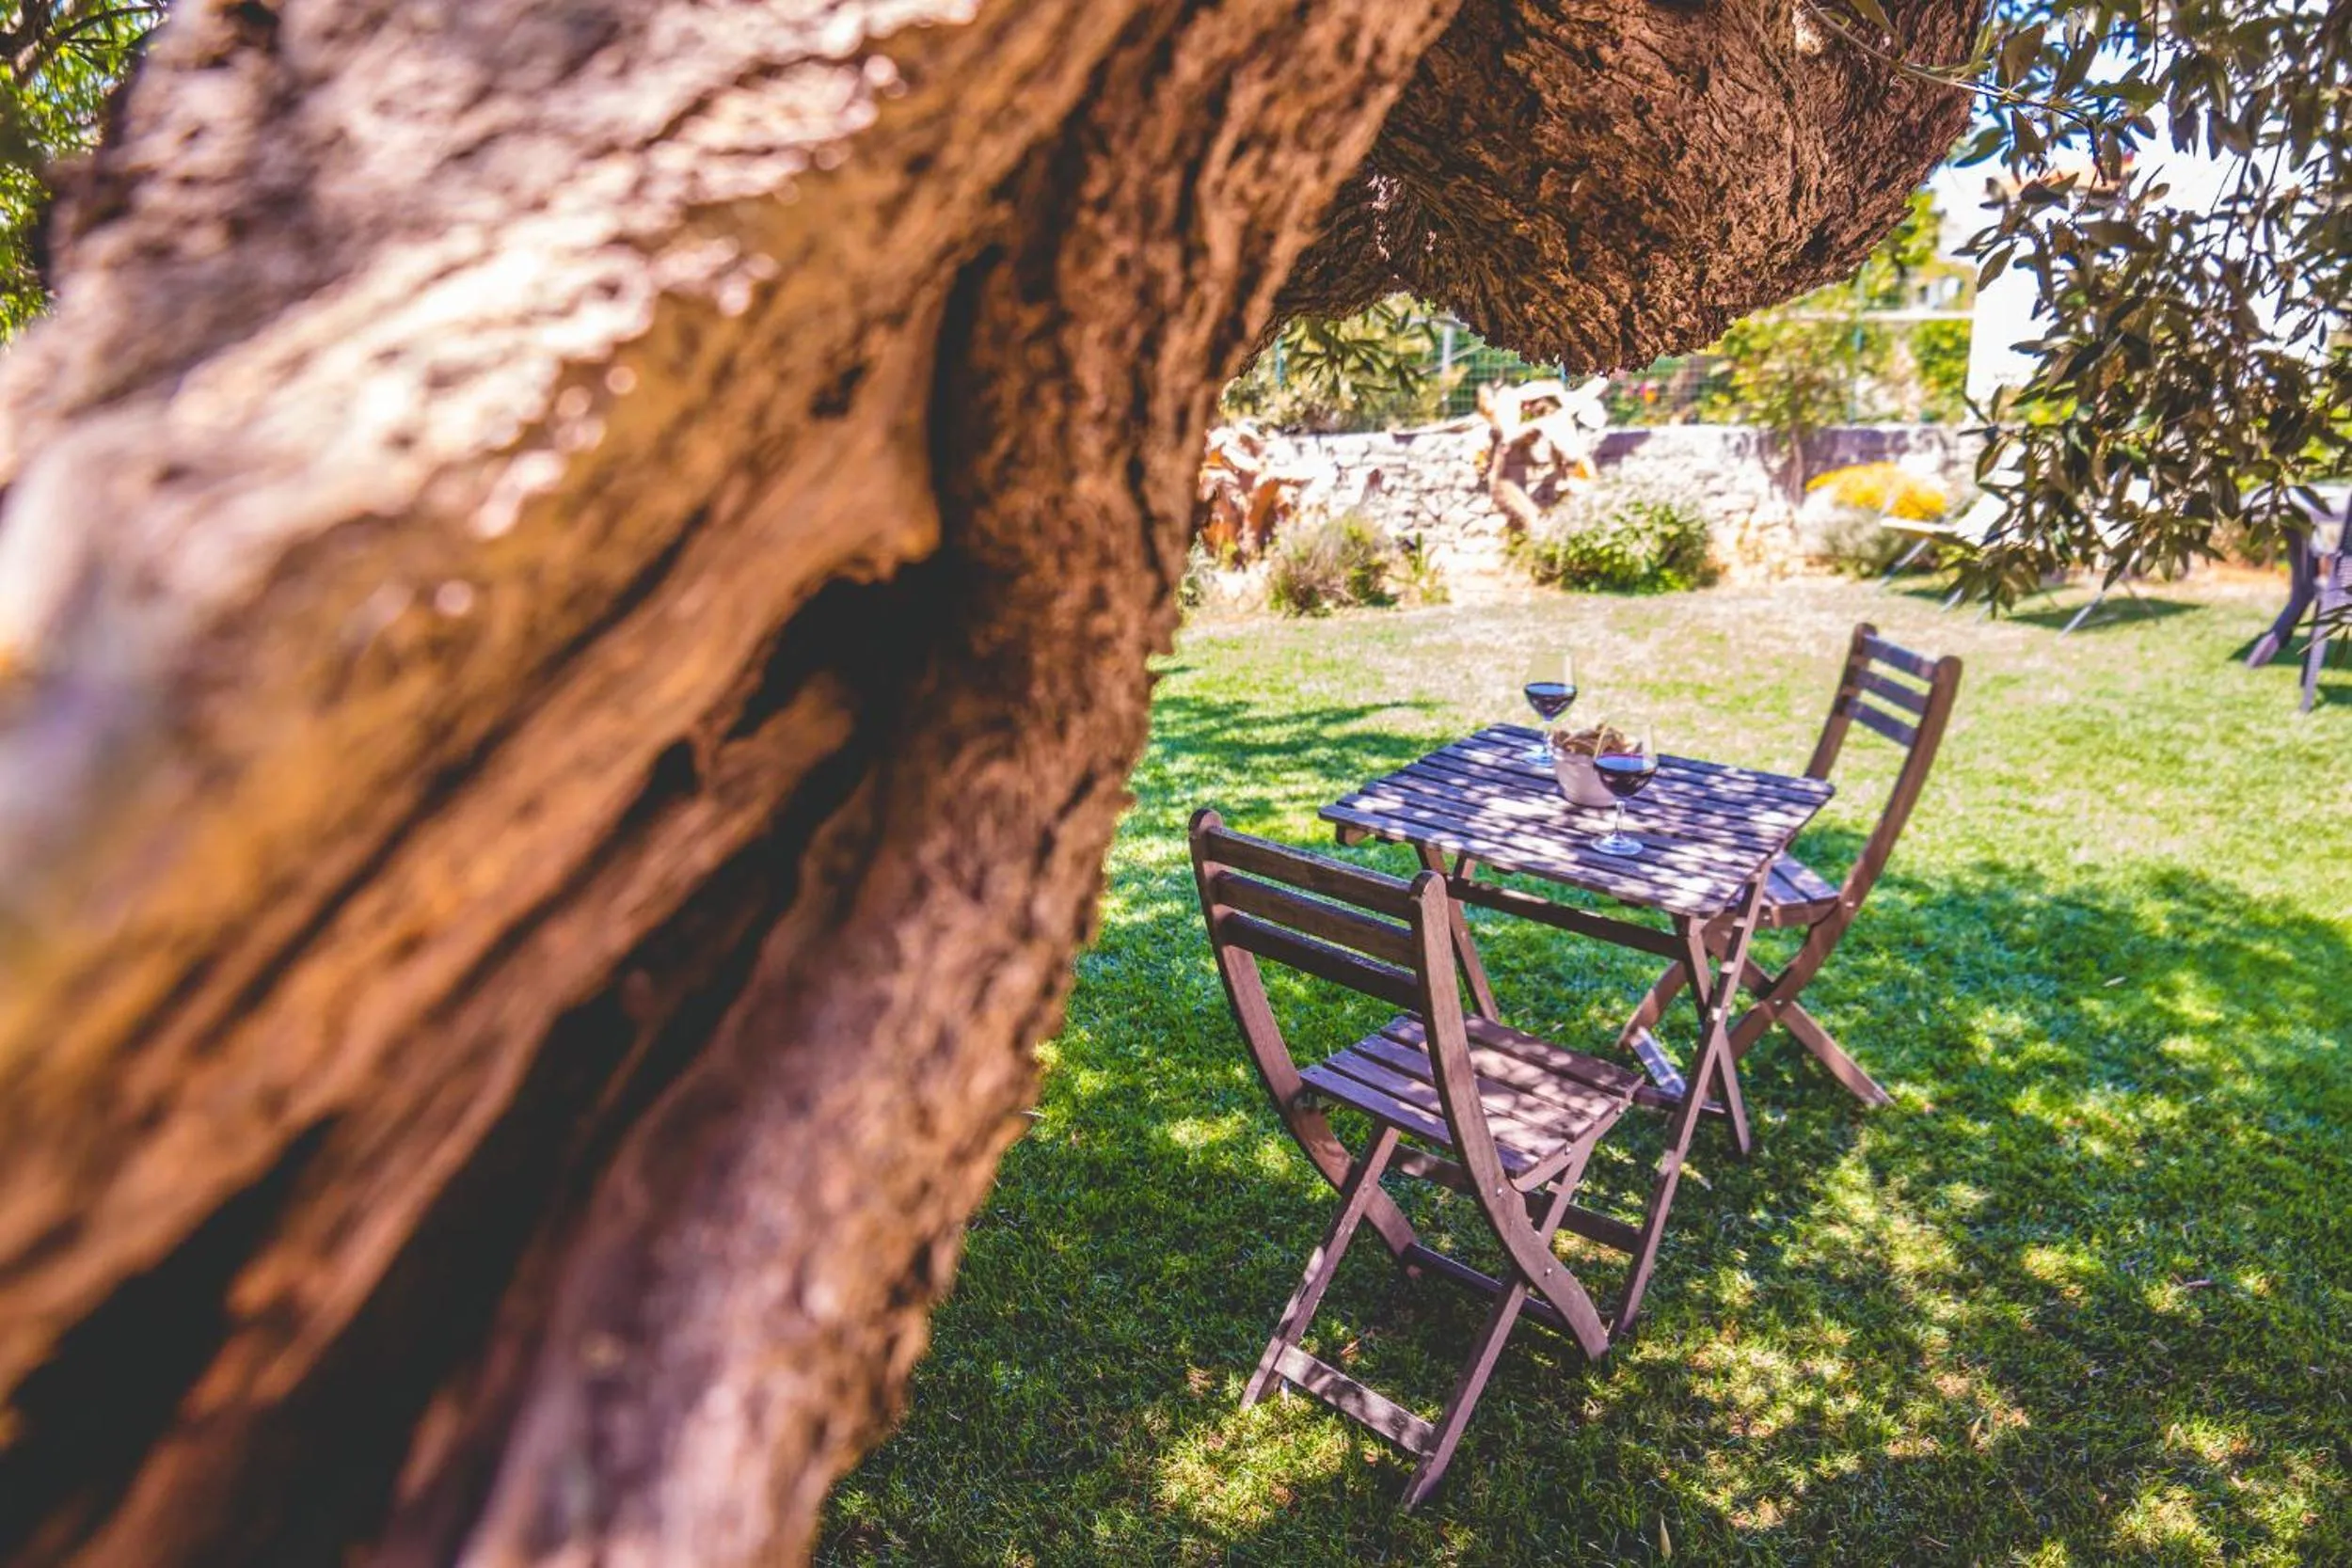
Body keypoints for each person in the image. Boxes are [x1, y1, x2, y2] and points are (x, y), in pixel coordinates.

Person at [2246, 486, 2349, 668]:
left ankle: (2263, 654)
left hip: (2337, 589)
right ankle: (2267, 652)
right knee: (2304, 592)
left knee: (2303, 593)